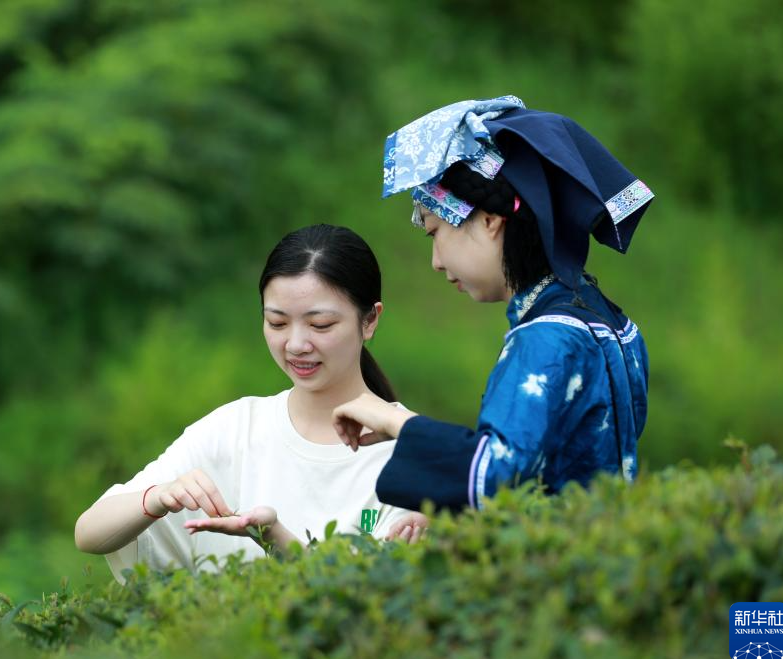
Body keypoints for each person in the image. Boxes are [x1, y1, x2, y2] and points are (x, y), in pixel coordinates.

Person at [332, 97, 653, 512]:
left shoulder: (546, 337)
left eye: (434, 233)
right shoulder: (610, 322)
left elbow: (494, 478)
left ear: (489, 220)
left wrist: (397, 421)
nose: (435, 261)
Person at [76, 224, 427, 580]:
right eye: (277, 323)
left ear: (369, 320)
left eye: (320, 325)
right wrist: (155, 498)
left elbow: (367, 596)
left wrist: (273, 536)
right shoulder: (234, 429)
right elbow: (89, 532)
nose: (296, 344)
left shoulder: (414, 451)